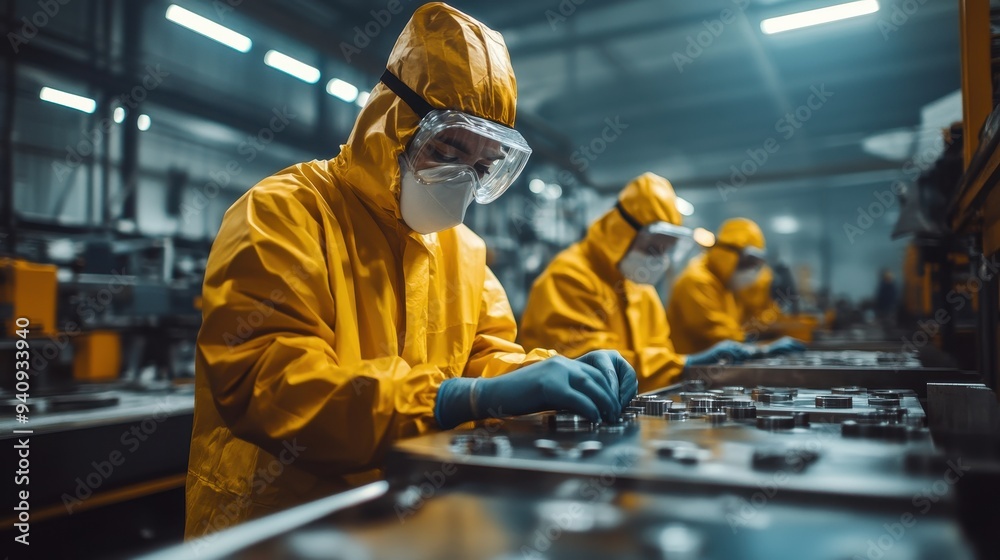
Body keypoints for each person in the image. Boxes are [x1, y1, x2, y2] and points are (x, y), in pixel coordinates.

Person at [185, 3, 636, 539]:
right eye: (448, 147)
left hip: (407, 513)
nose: (462, 179)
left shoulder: (463, 249)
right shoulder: (284, 213)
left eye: (483, 165)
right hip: (281, 523)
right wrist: (448, 400)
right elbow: (270, 384)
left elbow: (486, 358)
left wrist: (553, 375)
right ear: (394, 122)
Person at [519, 173, 755, 393]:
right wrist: (683, 364)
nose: (659, 259)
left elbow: (658, 351)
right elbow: (589, 361)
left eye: (666, 250)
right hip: (561, 423)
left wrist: (676, 366)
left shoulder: (640, 287)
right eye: (653, 247)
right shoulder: (568, 276)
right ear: (623, 232)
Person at [667, 217, 804, 356]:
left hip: (713, 367)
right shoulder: (697, 281)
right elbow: (717, 335)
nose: (751, 271)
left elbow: (739, 328)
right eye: (748, 263)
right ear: (728, 255)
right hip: (688, 372)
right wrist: (763, 348)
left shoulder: (726, 285)